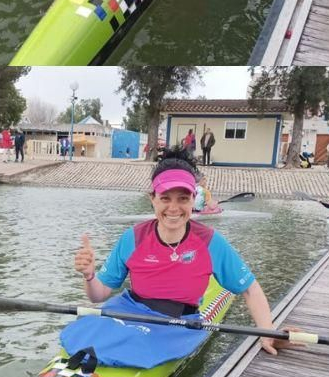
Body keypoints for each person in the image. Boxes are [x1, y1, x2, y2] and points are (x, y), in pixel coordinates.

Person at [72, 146, 296, 358]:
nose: (173, 208)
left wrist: (268, 333)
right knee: (79, 338)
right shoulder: (132, 238)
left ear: (193, 200)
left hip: (178, 323)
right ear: (152, 199)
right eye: (165, 198)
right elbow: (98, 296)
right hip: (128, 312)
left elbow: (250, 290)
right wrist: (89, 275)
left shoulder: (210, 242)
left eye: (183, 199)